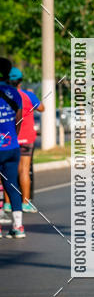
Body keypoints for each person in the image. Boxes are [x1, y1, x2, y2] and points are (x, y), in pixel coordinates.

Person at [8, 68, 44, 211]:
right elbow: (42, 108)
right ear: (20, 81)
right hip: (26, 138)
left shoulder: (4, 96)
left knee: (8, 171)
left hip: (9, 138)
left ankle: (7, 203)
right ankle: (25, 203)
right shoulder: (28, 95)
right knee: (24, 170)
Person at [0, 58, 25, 238]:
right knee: (12, 185)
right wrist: (13, 137)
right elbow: (19, 119)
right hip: (12, 146)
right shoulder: (14, 93)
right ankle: (18, 227)